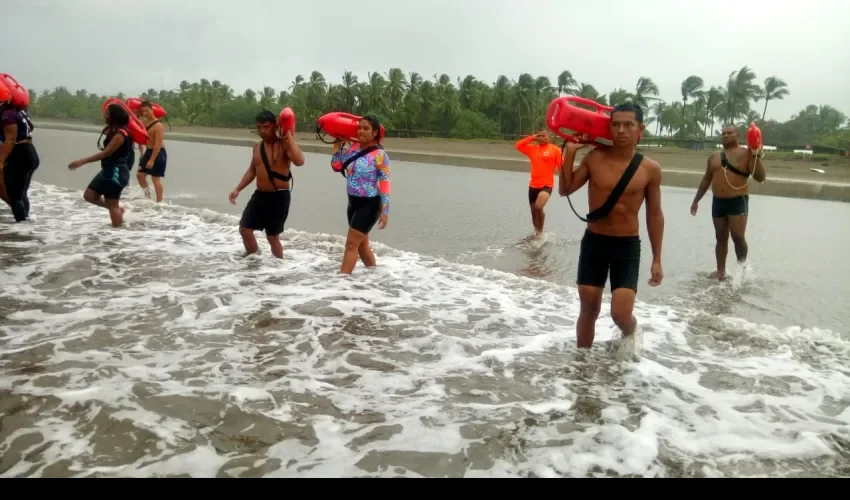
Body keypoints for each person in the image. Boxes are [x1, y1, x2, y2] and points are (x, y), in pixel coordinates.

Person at [558, 103, 664, 350]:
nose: (621, 130)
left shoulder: (650, 169)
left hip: (626, 246)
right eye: (615, 124)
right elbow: (565, 189)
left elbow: (655, 215)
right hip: (594, 241)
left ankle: (632, 334)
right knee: (589, 306)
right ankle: (582, 363)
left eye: (628, 124)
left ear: (640, 128)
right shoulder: (595, 158)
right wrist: (571, 153)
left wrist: (657, 258)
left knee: (620, 313)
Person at [689, 124, 766, 281]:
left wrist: (755, 155)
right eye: (723, 133)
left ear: (737, 135)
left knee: (738, 236)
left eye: (729, 133)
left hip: (738, 200)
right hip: (718, 202)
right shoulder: (714, 157)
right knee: (721, 237)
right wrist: (696, 200)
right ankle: (721, 272)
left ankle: (743, 270)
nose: (724, 135)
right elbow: (706, 179)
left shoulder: (747, 154)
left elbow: (760, 177)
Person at [229, 110, 305, 259]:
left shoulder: (284, 145)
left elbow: (299, 161)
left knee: (272, 236)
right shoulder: (257, 147)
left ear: (275, 126)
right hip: (260, 195)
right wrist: (237, 189)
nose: (262, 131)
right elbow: (252, 171)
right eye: (259, 127)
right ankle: (253, 258)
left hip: (279, 196)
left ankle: (278, 266)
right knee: (244, 229)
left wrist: (289, 137)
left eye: (266, 127)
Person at [330, 115, 391, 274]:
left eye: (366, 128)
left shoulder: (380, 155)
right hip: (353, 203)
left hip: (369, 204)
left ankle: (341, 282)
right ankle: (374, 277)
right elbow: (336, 165)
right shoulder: (353, 149)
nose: (361, 131)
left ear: (375, 132)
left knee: (351, 244)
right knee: (362, 245)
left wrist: (385, 211)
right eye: (359, 128)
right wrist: (337, 146)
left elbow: (384, 184)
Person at [67, 103, 135, 227]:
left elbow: (106, 153)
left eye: (107, 114)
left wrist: (82, 161)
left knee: (112, 204)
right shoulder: (114, 130)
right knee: (89, 195)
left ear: (113, 116)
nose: (104, 115)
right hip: (108, 171)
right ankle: (119, 211)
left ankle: (117, 235)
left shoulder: (121, 134)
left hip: (116, 172)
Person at [0, 87, 39, 223]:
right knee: (22, 194)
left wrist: (0, 161)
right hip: (29, 152)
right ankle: (25, 222)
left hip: (20, 154)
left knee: (15, 195)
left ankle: (21, 226)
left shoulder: (7, 116)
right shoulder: (19, 112)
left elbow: (10, 139)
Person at [515, 129, 563, 236]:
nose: (541, 138)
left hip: (546, 185)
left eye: (543, 136)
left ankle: (540, 231)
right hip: (533, 186)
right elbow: (518, 145)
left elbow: (561, 169)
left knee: (538, 206)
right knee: (533, 212)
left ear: (549, 137)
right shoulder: (532, 149)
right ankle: (537, 232)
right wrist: (532, 137)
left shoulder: (555, 150)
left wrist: (564, 187)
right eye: (539, 136)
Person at [136, 101, 168, 202]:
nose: (145, 113)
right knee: (140, 175)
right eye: (143, 111)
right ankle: (148, 197)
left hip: (158, 153)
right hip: (148, 151)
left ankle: (159, 202)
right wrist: (142, 153)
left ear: (151, 110)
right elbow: (138, 132)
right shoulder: (145, 123)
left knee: (155, 178)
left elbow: (158, 144)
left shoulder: (158, 125)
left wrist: (152, 160)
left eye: (147, 111)